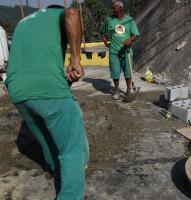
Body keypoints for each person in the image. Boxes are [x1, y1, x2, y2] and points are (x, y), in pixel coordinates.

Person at [5, 5, 89, 200]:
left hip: (17, 90)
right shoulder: (57, 13)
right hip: (47, 87)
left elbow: (34, 61)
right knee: (73, 150)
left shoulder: (23, 24)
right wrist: (76, 60)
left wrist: (62, 78)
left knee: (48, 142)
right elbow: (72, 14)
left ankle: (60, 175)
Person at [100, 0, 140, 100]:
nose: (112, 10)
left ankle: (128, 90)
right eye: (112, 8)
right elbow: (102, 32)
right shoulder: (109, 20)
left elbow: (136, 35)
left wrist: (130, 39)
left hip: (126, 51)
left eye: (114, 8)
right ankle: (117, 90)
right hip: (114, 51)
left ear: (121, 8)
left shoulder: (129, 20)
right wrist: (105, 41)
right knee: (115, 72)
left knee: (128, 72)